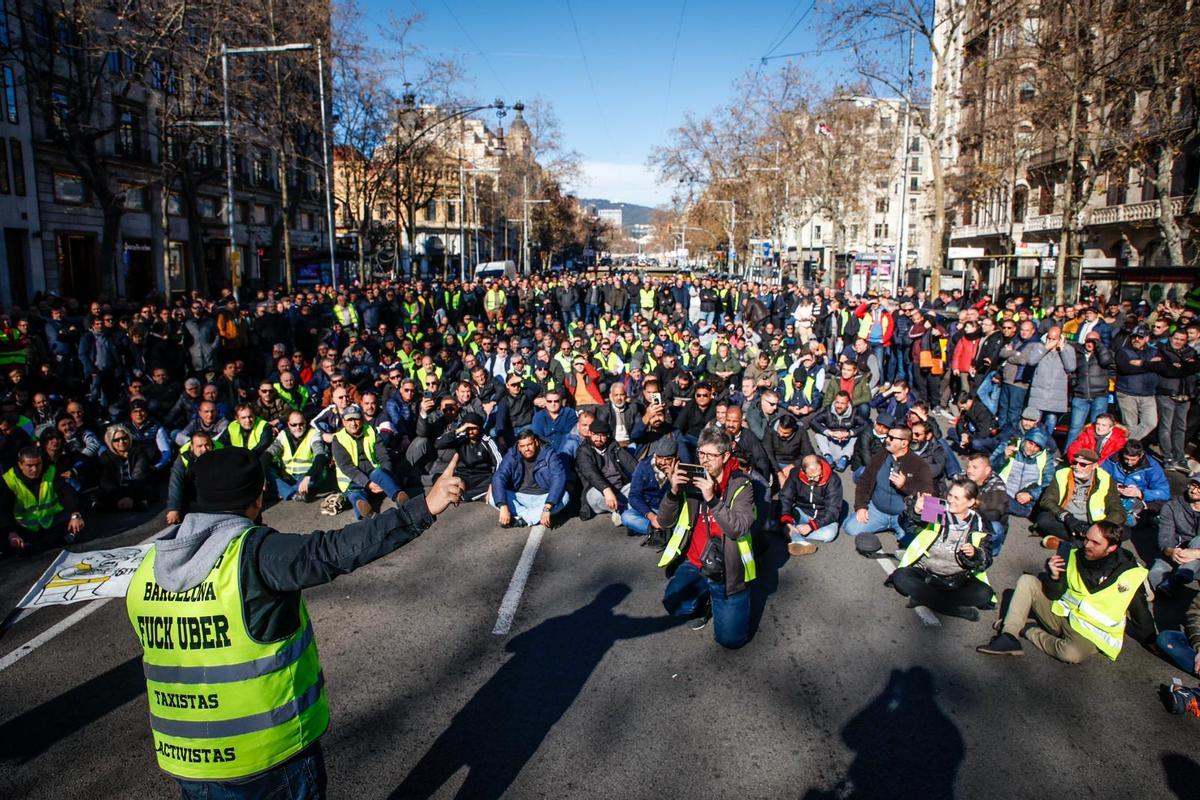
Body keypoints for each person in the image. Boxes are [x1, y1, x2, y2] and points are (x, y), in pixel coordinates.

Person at [125, 434, 462, 796]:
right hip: (267, 758)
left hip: (188, 761)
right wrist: (424, 506)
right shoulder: (255, 556)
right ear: (258, 497)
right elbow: (336, 550)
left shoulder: (147, 566)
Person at [978, 521, 1151, 663]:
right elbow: (1054, 594)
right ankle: (1009, 635)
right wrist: (1054, 577)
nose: (1087, 545)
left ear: (1111, 548)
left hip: (1089, 633)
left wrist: (1153, 642)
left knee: (1071, 655)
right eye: (1086, 539)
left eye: (1095, 543)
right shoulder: (1073, 554)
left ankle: (1028, 629)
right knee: (1028, 581)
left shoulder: (1129, 574)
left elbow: (1140, 613)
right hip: (1061, 615)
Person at [657, 429, 756, 648]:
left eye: (711, 455)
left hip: (728, 572)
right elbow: (663, 522)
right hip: (695, 563)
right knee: (674, 602)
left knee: (731, 641)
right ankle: (703, 600)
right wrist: (673, 491)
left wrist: (712, 499)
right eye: (701, 454)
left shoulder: (742, 485)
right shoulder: (692, 478)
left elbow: (738, 528)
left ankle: (719, 600)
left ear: (726, 456)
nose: (704, 460)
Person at [887, 478, 994, 620]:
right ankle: (952, 609)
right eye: (950, 495)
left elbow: (986, 559)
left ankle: (925, 598)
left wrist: (975, 554)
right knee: (900, 577)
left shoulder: (980, 523)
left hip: (956, 580)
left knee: (984, 593)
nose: (951, 501)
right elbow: (909, 525)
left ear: (971, 502)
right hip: (925, 573)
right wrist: (916, 510)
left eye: (957, 498)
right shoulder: (939, 508)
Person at [842, 425, 933, 551]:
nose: (887, 439)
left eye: (891, 437)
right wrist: (861, 507)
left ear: (904, 443)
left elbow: (928, 494)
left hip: (903, 515)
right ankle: (882, 524)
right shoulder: (881, 456)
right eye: (887, 436)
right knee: (850, 528)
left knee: (914, 545)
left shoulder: (919, 465)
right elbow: (864, 482)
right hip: (877, 511)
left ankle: (899, 531)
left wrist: (904, 486)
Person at [2, 445, 84, 551]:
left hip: (52, 521)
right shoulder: (8, 481)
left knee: (77, 525)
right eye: (29, 466)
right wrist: (11, 531)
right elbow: (3, 509)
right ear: (20, 465)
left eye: (38, 464)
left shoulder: (50, 471)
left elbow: (67, 492)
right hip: (25, 527)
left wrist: (75, 514)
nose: (35, 469)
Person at [330, 404, 406, 519]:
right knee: (355, 495)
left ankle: (400, 497)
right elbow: (347, 467)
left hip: (373, 473)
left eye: (356, 419)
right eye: (349, 420)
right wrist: (368, 484)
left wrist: (386, 475)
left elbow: (383, 455)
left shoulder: (371, 430)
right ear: (343, 422)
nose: (353, 423)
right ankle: (366, 513)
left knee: (381, 474)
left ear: (362, 419)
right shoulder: (338, 439)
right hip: (352, 480)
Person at [1035, 448, 1124, 543]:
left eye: (1083, 465)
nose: (1077, 467)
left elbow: (1118, 511)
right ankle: (1087, 542)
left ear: (1094, 466)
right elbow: (1047, 501)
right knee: (1043, 520)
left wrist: (1097, 527)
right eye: (1075, 462)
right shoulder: (1062, 474)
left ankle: (1079, 540)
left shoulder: (1106, 479)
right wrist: (1067, 517)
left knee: (1124, 531)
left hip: (1093, 522)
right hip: (1067, 519)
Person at [488, 430, 570, 527]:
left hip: (543, 498)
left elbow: (558, 478)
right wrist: (503, 506)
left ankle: (522, 520)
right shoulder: (512, 455)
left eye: (529, 444)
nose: (526, 449)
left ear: (536, 442)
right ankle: (533, 516)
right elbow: (499, 477)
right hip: (520, 496)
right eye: (522, 446)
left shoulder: (549, 454)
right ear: (518, 446)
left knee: (564, 496)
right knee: (494, 497)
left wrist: (547, 507)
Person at [779, 454, 845, 555]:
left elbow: (833, 510)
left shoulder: (833, 480)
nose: (817, 479)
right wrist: (786, 518)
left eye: (819, 474)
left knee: (829, 535)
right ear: (803, 471)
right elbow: (786, 497)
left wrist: (811, 526)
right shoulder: (795, 474)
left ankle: (793, 533)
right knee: (782, 517)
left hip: (823, 516)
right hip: (802, 511)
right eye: (812, 477)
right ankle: (797, 537)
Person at [1153, 326, 1199, 471]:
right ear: (1171, 338)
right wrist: (1184, 366)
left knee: (1181, 428)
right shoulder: (1162, 349)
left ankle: (1179, 458)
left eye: (1182, 340)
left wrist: (1181, 366)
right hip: (1167, 393)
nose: (1178, 342)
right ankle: (1168, 457)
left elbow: (1196, 367)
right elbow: (1168, 371)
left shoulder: (1191, 352)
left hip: (1185, 396)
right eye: (1176, 339)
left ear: (1186, 341)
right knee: (1166, 427)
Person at [576, 419, 638, 525]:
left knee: (637, 486)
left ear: (607, 436)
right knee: (595, 496)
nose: (599, 439)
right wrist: (606, 490)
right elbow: (591, 474)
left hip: (620, 490)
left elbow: (630, 463)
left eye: (602, 435)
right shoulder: (583, 451)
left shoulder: (613, 446)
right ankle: (624, 511)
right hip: (599, 491)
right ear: (590, 433)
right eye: (596, 435)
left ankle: (621, 510)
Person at [431, 412, 502, 501]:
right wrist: (459, 430)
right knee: (437, 478)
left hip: (482, 477)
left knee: (496, 482)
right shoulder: (461, 437)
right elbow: (438, 444)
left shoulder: (487, 440)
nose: (470, 431)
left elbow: (500, 463)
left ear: (480, 427)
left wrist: (494, 483)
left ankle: (466, 496)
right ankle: (469, 494)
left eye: (474, 428)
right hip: (462, 475)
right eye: (468, 428)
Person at [1148, 473, 1200, 595]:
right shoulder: (1172, 506)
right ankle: (1177, 580)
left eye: (1199, 488)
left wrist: (1195, 553)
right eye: (1193, 485)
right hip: (1178, 549)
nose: (1194, 490)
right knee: (1155, 576)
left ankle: (1178, 578)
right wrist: (1170, 551)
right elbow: (1165, 534)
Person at [1099, 440, 1170, 526]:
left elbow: (1165, 492)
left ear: (1141, 456)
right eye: (1126, 459)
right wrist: (1113, 486)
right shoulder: (1113, 459)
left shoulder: (1152, 467)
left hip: (1140, 497)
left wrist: (1139, 493)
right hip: (1115, 492)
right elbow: (1100, 475)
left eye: (1133, 460)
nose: (1129, 463)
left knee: (1160, 503)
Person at [991, 427, 1054, 519]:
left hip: (1027, 497)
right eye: (1030, 443)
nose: (1032, 448)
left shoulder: (1045, 457)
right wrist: (1003, 458)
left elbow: (1049, 482)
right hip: (1004, 491)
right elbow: (988, 468)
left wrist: (1031, 495)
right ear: (1024, 440)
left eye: (1037, 446)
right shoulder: (1009, 445)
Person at [1065, 331, 1114, 446]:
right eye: (1088, 340)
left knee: (1098, 429)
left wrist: (1099, 346)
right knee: (1075, 428)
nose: (1090, 343)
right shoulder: (1077, 352)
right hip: (1080, 395)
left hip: (1099, 395)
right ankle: (1068, 454)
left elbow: (1106, 361)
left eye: (1094, 341)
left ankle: (1093, 455)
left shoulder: (1104, 352)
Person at [266, 411, 328, 502]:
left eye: (301, 424)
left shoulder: (313, 433)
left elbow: (320, 456)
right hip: (288, 475)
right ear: (288, 424)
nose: (298, 427)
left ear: (305, 423)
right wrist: (262, 475)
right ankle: (294, 494)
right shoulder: (283, 434)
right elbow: (269, 453)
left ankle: (282, 491)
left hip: (308, 475)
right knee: (267, 469)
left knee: (318, 476)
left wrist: (308, 476)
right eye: (294, 425)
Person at [1114, 324, 1160, 442]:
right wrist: (1150, 364)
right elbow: (1127, 369)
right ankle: (1128, 451)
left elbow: (1162, 366)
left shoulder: (1154, 351)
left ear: (1147, 338)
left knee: (1151, 423)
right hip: (1127, 393)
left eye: (1140, 337)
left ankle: (1125, 446)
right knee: (1130, 426)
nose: (1136, 339)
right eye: (1134, 337)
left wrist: (1142, 363)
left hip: (1148, 394)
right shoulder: (1123, 351)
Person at [625, 436, 677, 538]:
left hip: (670, 511)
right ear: (655, 456)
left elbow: (681, 498)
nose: (663, 462)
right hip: (650, 508)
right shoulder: (643, 466)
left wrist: (672, 479)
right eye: (660, 458)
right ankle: (655, 530)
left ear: (675, 458)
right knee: (627, 517)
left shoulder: (680, 468)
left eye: (668, 459)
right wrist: (652, 517)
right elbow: (634, 496)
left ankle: (659, 532)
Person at [97, 423, 155, 511]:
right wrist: (119, 497)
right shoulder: (105, 456)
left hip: (136, 487)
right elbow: (106, 480)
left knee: (148, 490)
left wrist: (129, 496)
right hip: (117, 490)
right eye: (116, 440)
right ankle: (128, 504)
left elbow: (139, 475)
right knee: (98, 494)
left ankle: (120, 505)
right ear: (110, 442)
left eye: (124, 438)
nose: (121, 442)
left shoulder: (139, 452)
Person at [808, 390, 868, 472]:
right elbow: (813, 421)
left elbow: (865, 425)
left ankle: (844, 458)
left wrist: (849, 433)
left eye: (842, 403)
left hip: (845, 444)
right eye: (837, 402)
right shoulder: (828, 410)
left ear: (848, 404)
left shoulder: (854, 413)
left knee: (857, 437)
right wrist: (830, 433)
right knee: (819, 435)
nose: (839, 406)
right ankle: (827, 456)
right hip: (831, 441)